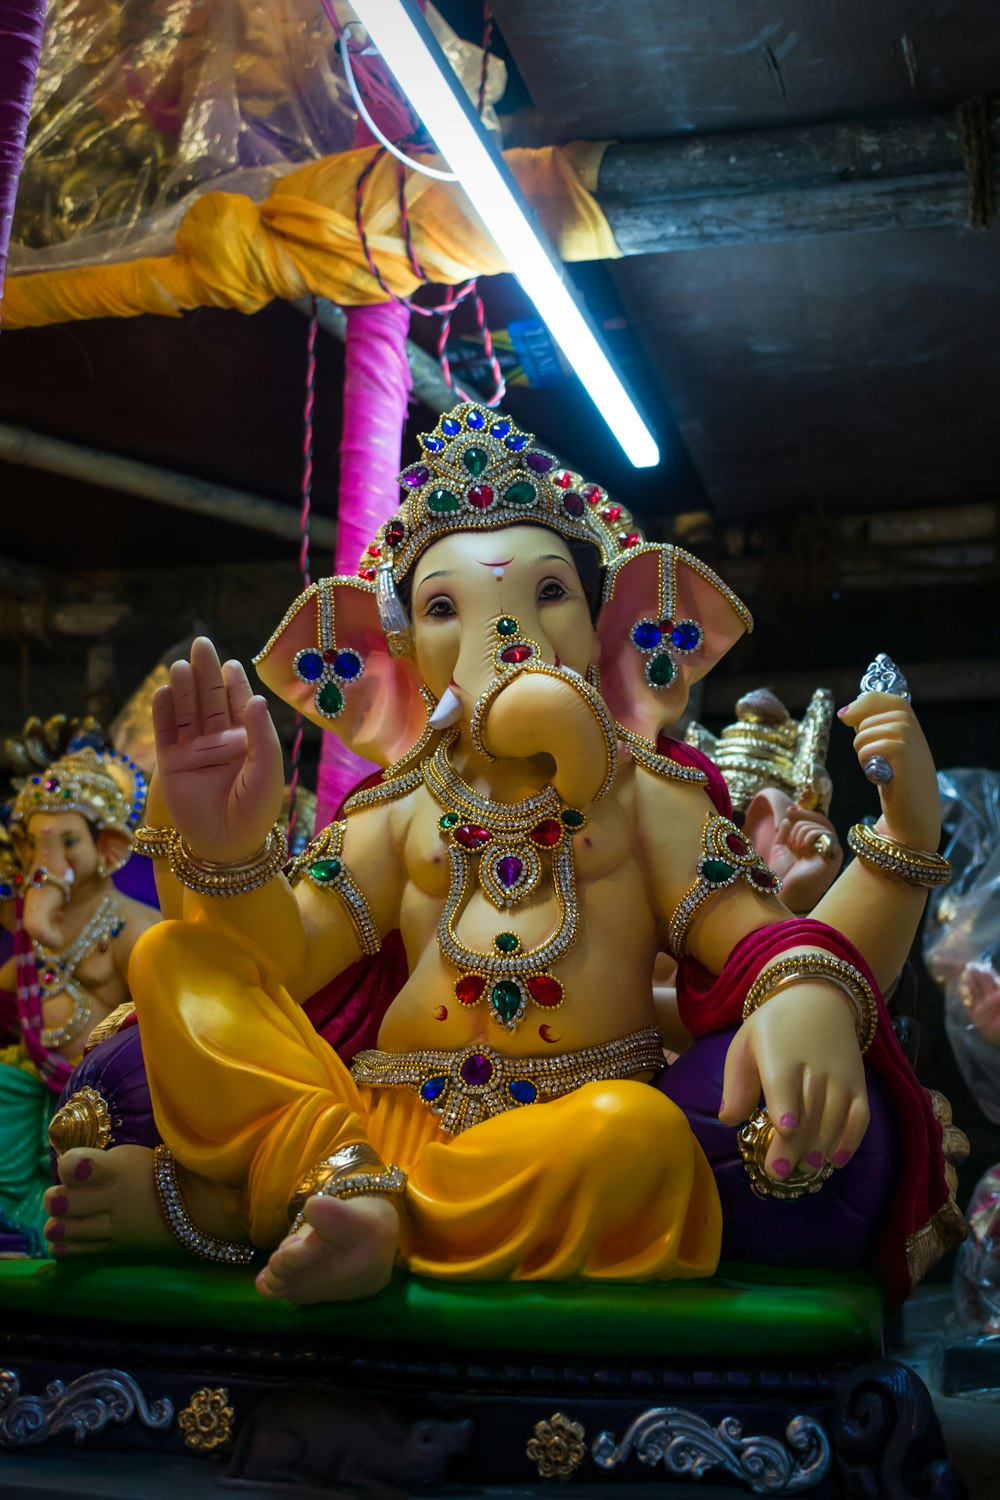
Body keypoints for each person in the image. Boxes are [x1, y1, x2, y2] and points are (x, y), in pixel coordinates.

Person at [44, 403, 960, 1305]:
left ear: (612, 629)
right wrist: (231, 853)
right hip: (365, 1125)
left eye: (549, 591)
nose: (504, 632)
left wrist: (802, 991)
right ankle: (342, 1189)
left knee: (640, 1134)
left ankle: (287, 1213)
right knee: (175, 956)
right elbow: (282, 963)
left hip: (561, 1135)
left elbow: (754, 938)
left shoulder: (651, 792)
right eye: (446, 606)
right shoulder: (399, 803)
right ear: (399, 657)